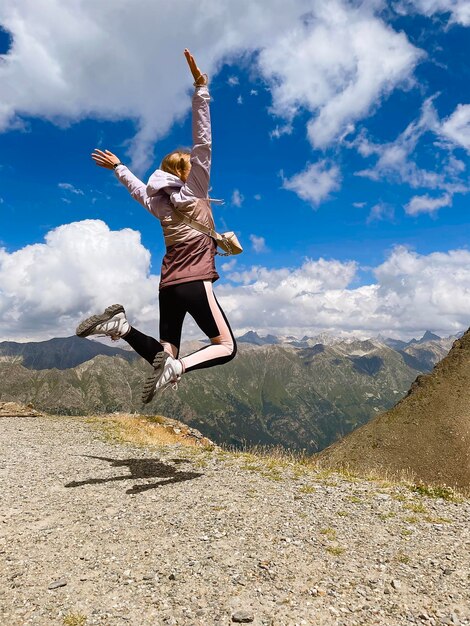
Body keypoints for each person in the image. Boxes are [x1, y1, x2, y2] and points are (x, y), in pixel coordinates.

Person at [76, 49, 237, 403]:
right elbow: (203, 141)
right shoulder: (196, 190)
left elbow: (137, 189)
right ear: (189, 170)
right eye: (194, 164)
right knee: (225, 347)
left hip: (168, 286)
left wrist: (119, 166)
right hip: (194, 282)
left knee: (165, 355)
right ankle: (177, 369)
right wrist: (200, 88)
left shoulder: (159, 204)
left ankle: (121, 327)